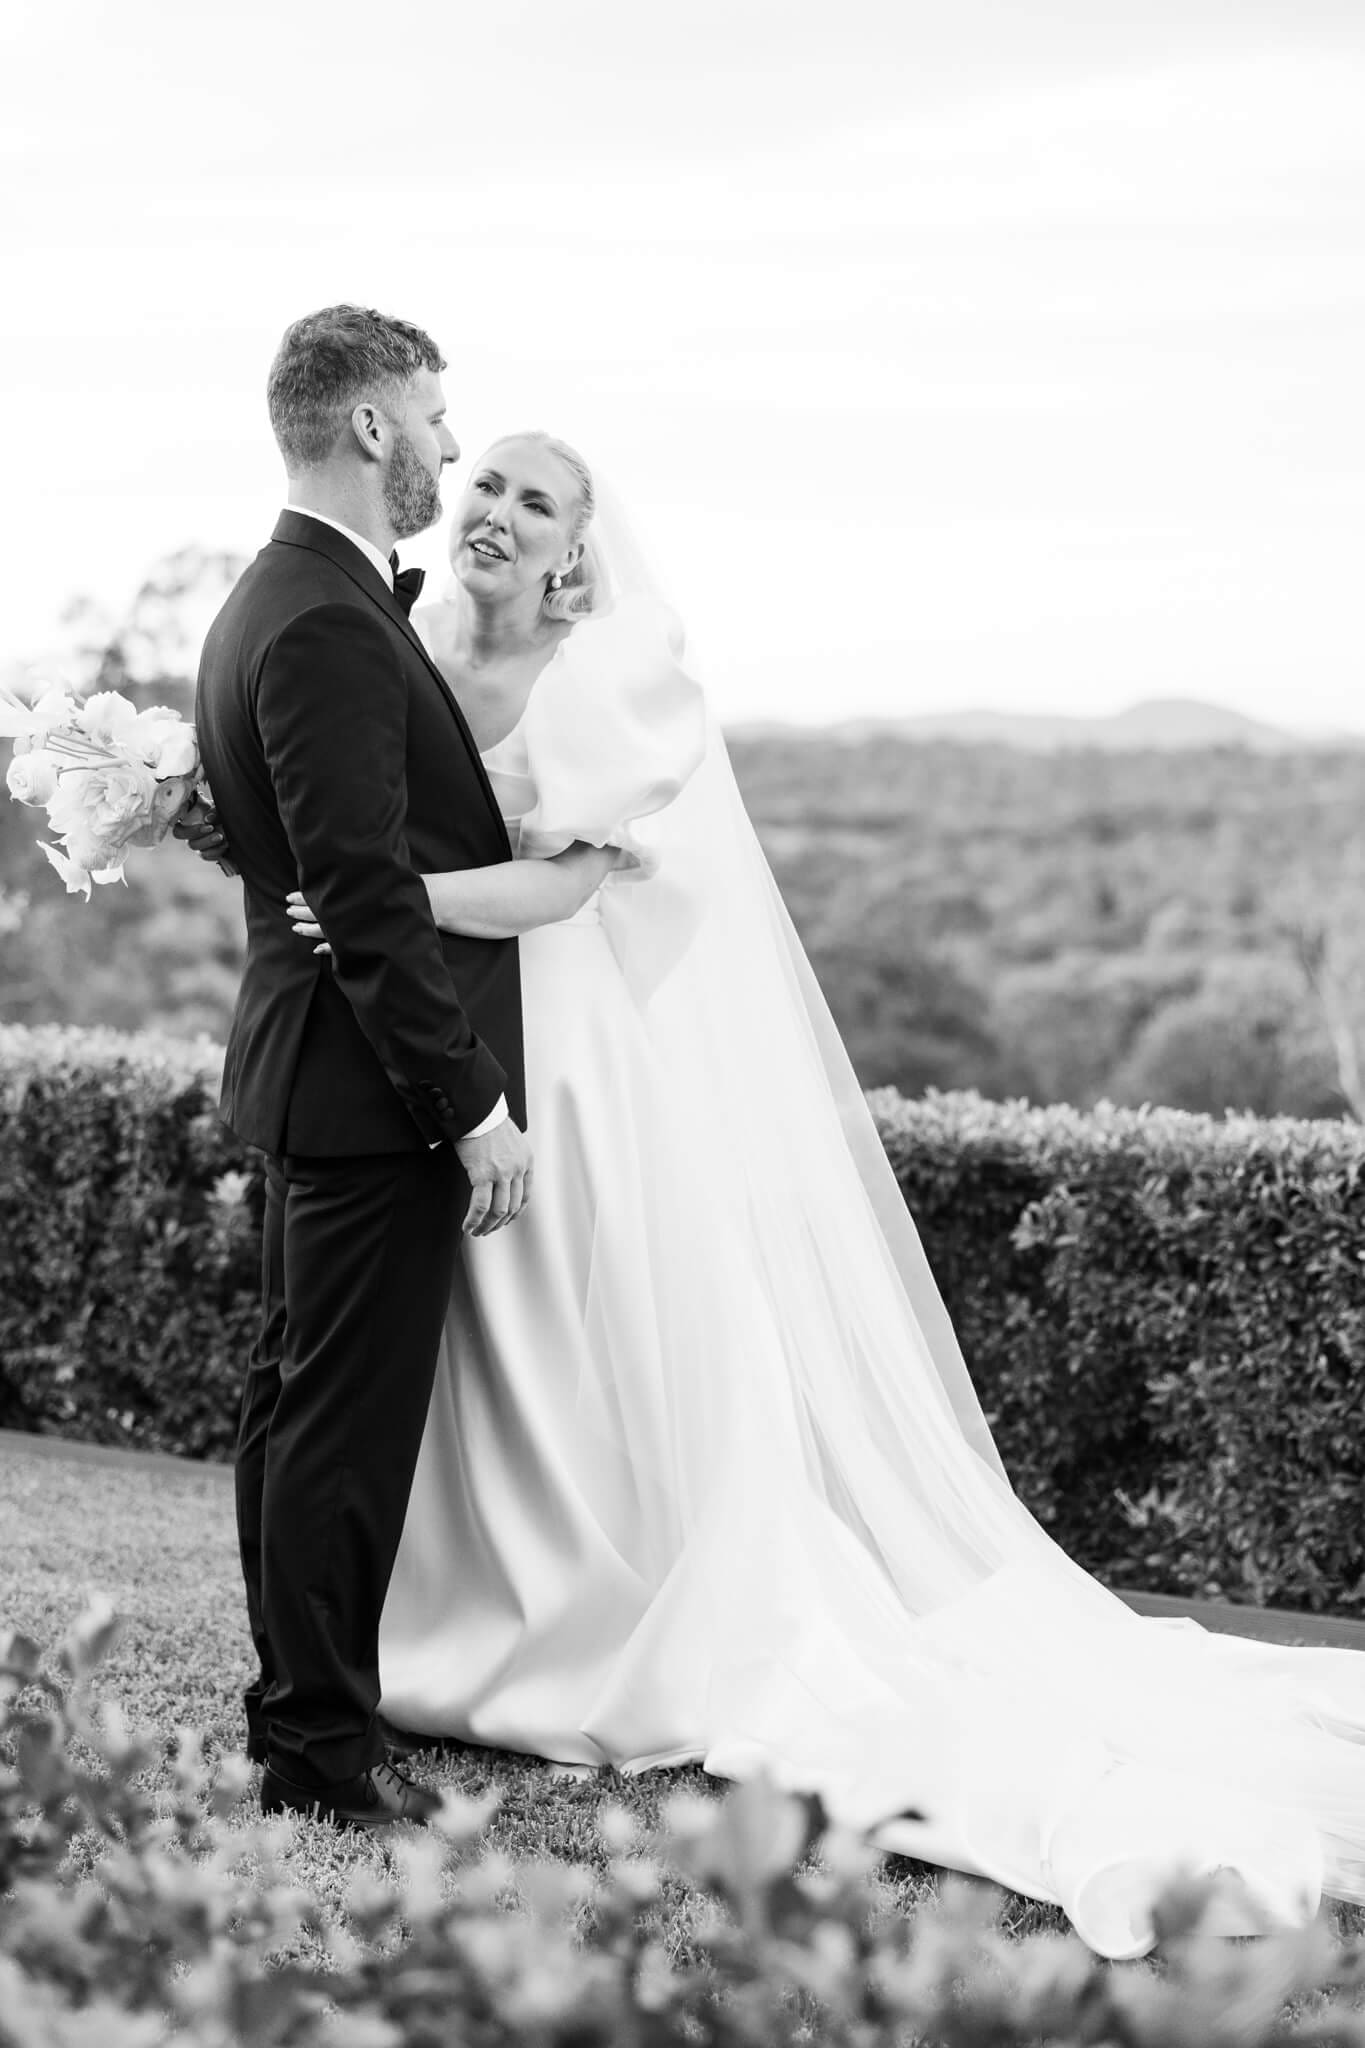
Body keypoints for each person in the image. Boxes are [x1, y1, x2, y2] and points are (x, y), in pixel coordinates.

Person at [192, 427, 1365, 1959]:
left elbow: (564, 885)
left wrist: (358, 901)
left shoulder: (598, 672)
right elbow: (326, 795)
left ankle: (591, 1625)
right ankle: (432, 1633)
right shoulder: (394, 634)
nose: (489, 508)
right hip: (425, 1054)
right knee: (430, 1370)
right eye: (481, 480)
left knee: (566, 1341)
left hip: (562, 1048)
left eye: (531, 501)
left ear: (575, 550)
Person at [190, 306, 535, 1830]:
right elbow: (366, 899)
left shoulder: (273, 596)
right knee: (339, 1429)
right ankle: (318, 1754)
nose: (454, 451)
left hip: (306, 1075)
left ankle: (295, 1713)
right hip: (368, 1092)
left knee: (290, 1405)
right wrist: (470, 1109)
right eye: (439, 421)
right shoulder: (325, 616)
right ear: (374, 426)